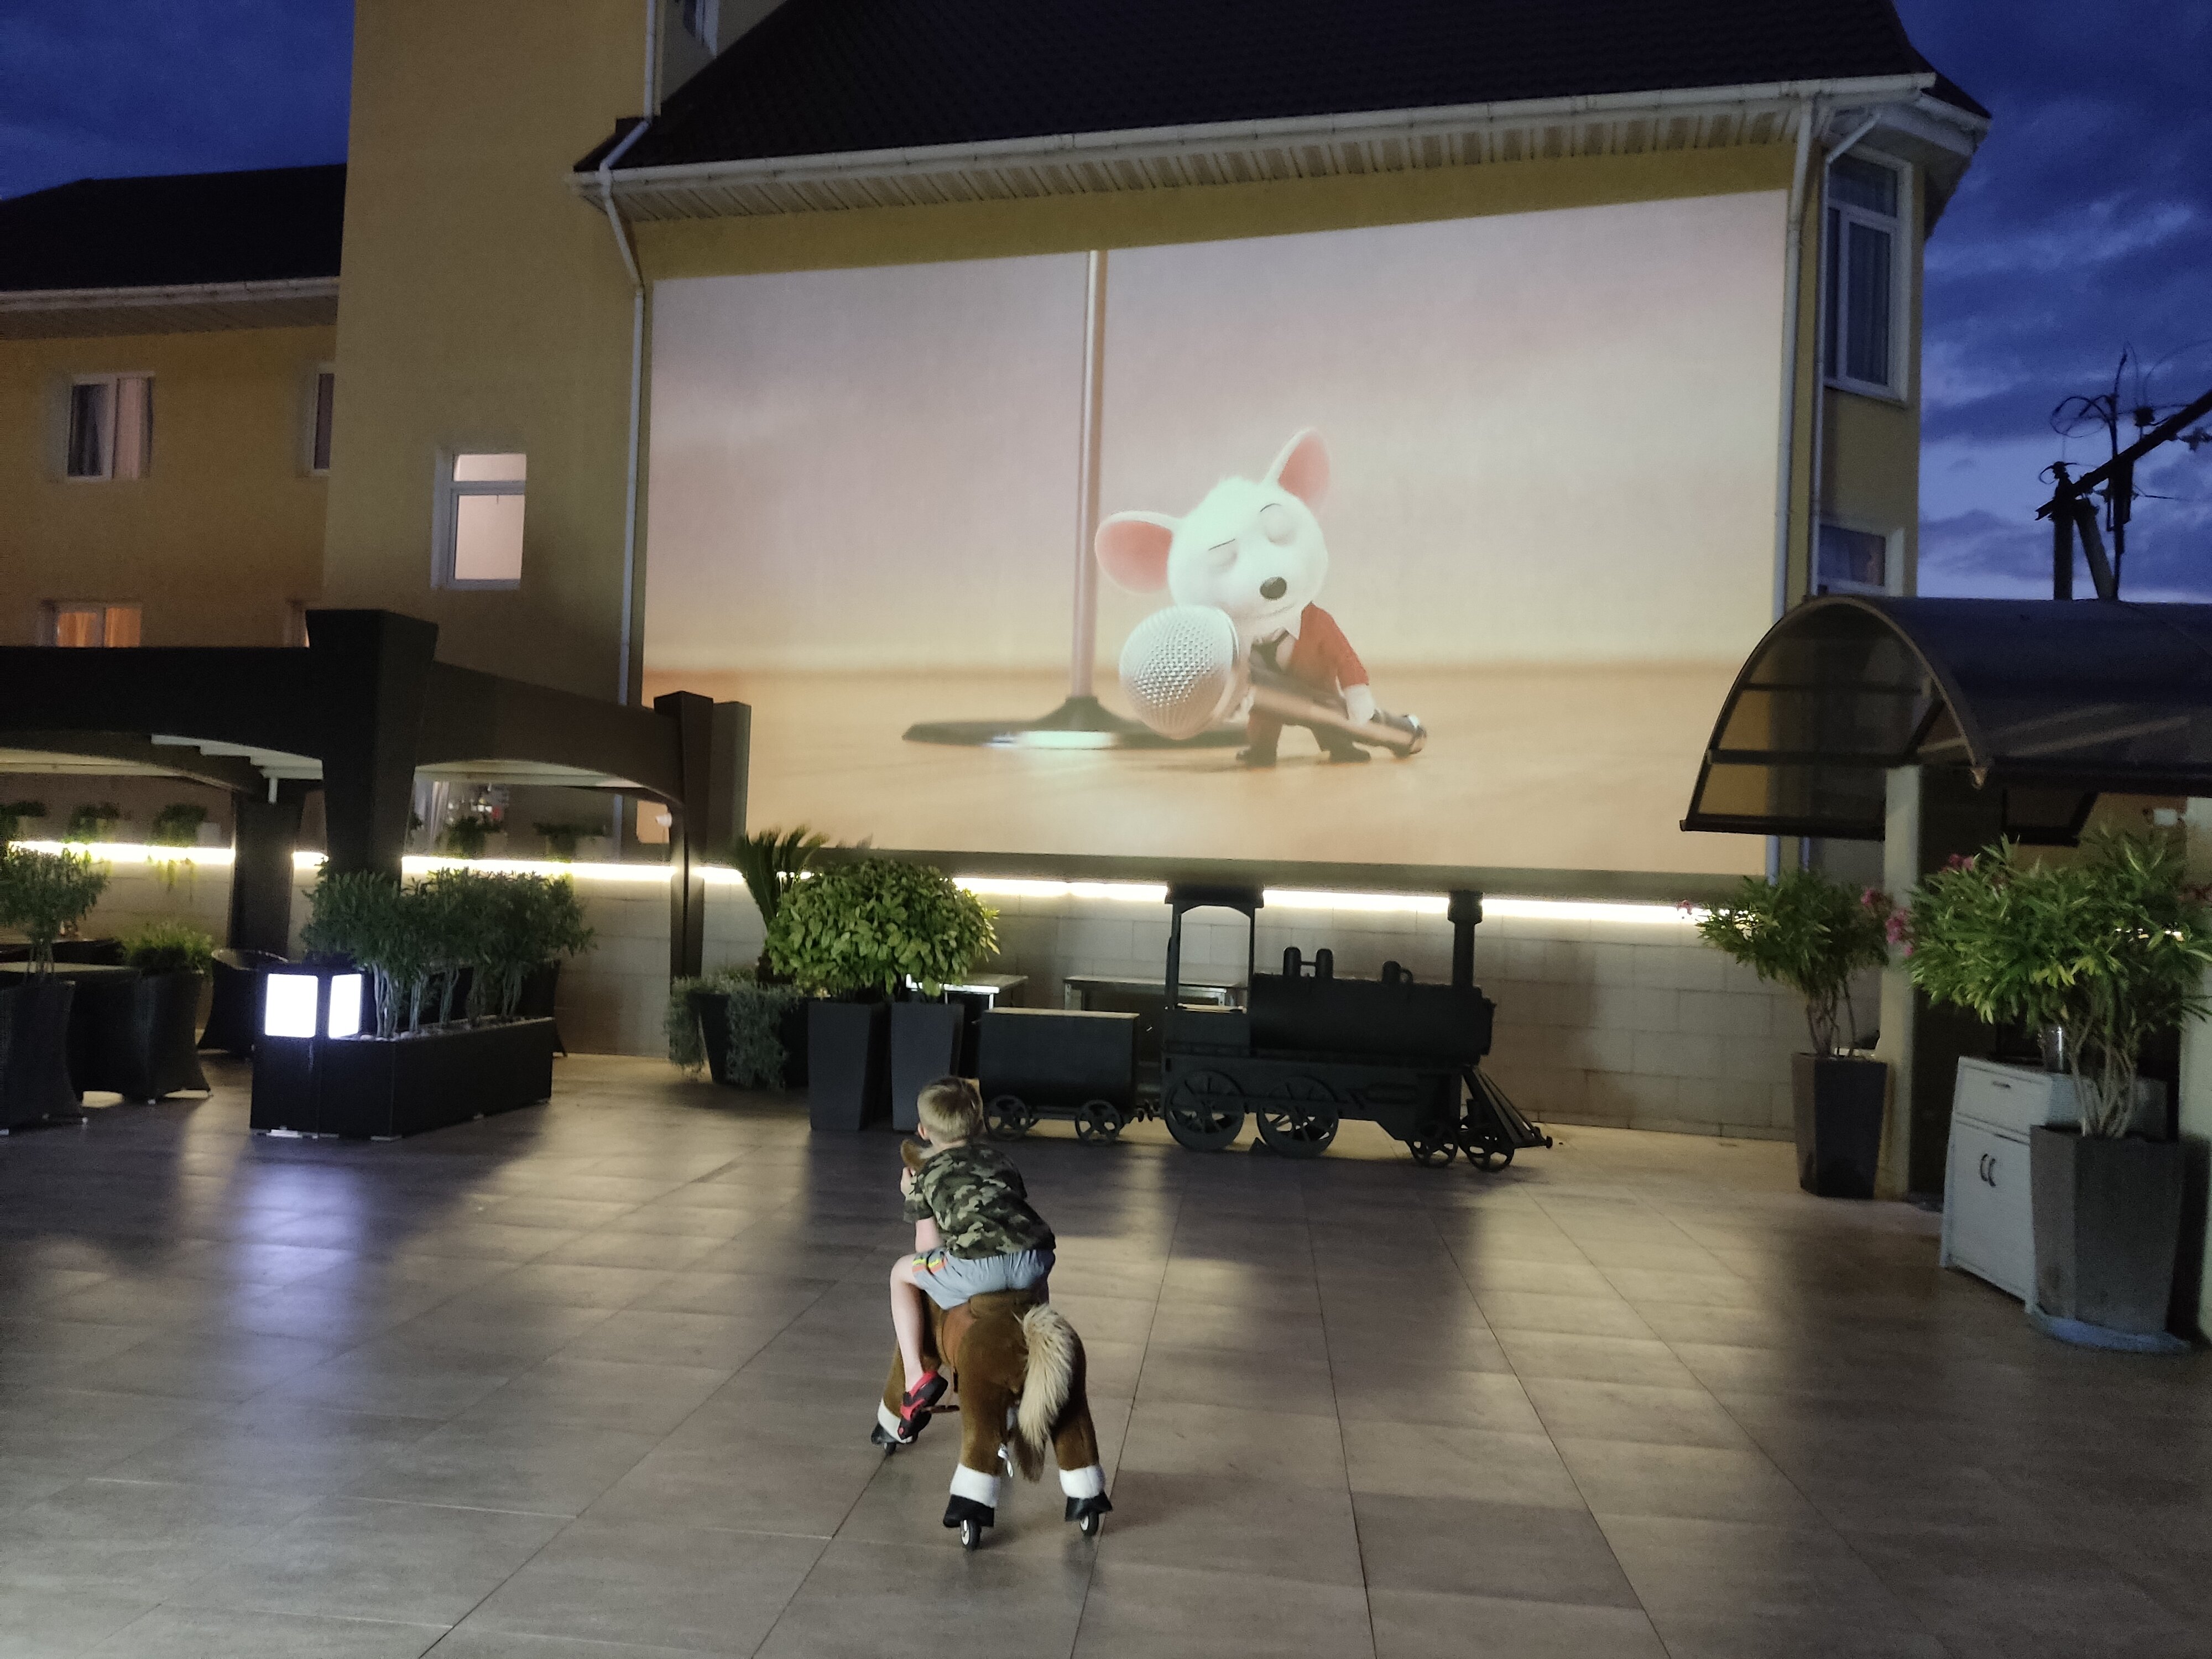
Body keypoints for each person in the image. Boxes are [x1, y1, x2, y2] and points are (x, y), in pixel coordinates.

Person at [886, 1075, 1056, 1442]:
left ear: (923, 1131)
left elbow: (927, 1247)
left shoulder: (926, 1175)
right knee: (1029, 1270)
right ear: (979, 1125)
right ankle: (1036, 1338)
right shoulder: (1002, 1159)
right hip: (1035, 1259)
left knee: (901, 1273)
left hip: (978, 1270)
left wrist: (911, 1193)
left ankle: (916, 1377)